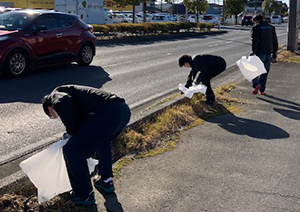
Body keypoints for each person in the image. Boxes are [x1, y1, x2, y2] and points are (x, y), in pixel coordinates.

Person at [42, 84, 131, 206]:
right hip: (122, 111)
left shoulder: (56, 95)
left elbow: (65, 103)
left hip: (106, 113)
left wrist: (71, 132)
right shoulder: (74, 94)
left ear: (50, 108)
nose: (55, 117)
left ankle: (84, 195)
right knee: (103, 143)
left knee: (72, 151)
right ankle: (106, 181)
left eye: (52, 115)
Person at [251, 14, 278, 95]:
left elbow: (255, 41)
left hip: (259, 52)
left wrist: (254, 52)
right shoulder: (271, 27)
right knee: (265, 72)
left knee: (254, 70)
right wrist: (275, 52)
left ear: (256, 20)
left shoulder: (256, 28)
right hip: (269, 52)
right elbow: (275, 40)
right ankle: (262, 90)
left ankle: (256, 84)